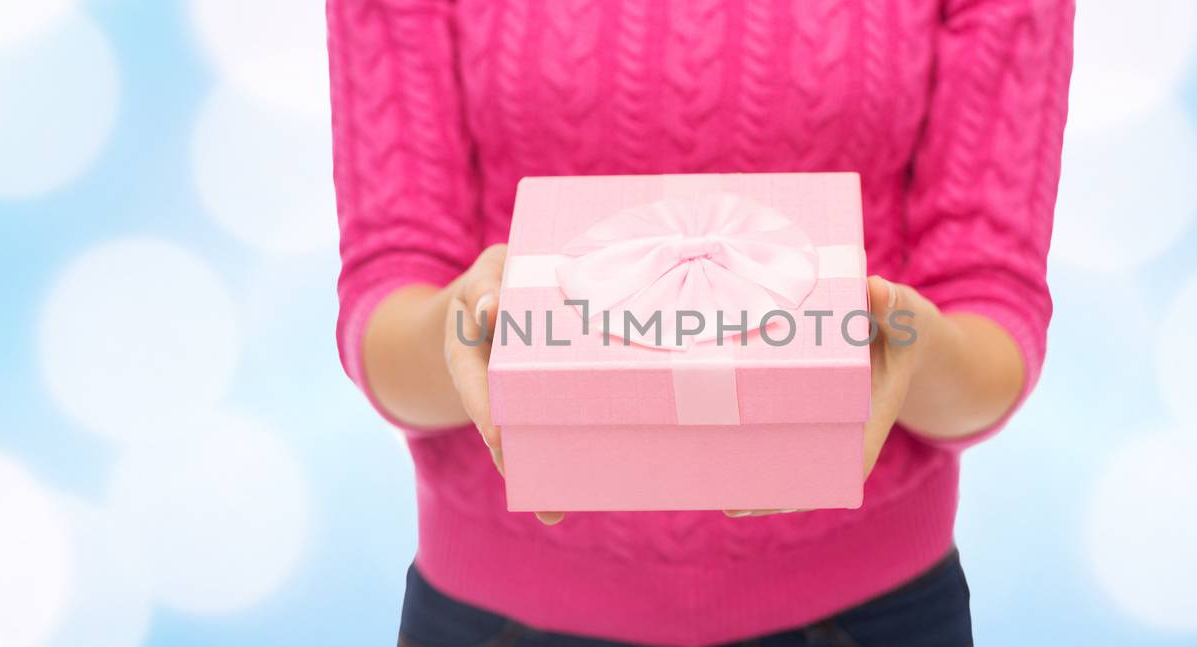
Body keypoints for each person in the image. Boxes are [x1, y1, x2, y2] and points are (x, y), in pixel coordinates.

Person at [327, 0, 1072, 644]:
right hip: (496, 612)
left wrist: (909, 343)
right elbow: (390, 292)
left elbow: (990, 311)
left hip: (873, 610)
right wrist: (462, 328)